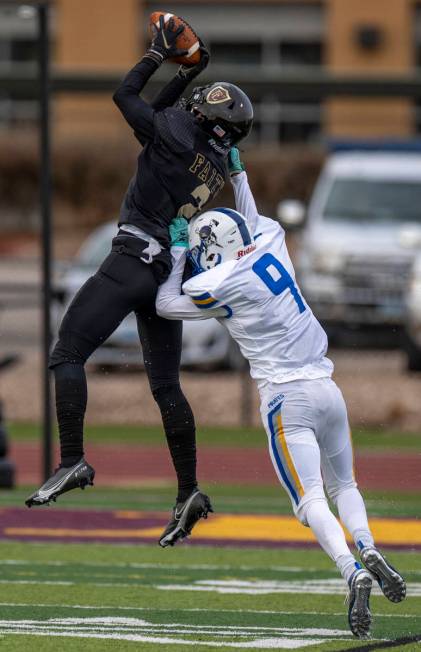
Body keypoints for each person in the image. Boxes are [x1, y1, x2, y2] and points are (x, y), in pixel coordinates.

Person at [155, 148, 406, 636]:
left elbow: (167, 304)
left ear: (212, 250)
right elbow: (250, 222)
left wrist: (181, 249)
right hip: (328, 388)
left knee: (310, 500)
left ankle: (351, 571)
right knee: (346, 486)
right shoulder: (270, 243)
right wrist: (238, 174)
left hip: (286, 399)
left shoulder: (219, 281)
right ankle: (369, 546)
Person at [25, 18, 253, 549]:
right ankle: (189, 490)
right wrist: (188, 71)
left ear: (208, 118)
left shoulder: (176, 133)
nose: (192, 105)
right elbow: (167, 117)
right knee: (167, 386)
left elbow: (127, 97)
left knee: (67, 353)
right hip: (165, 276)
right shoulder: (216, 161)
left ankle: (72, 459)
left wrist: (158, 56)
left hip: (132, 259)